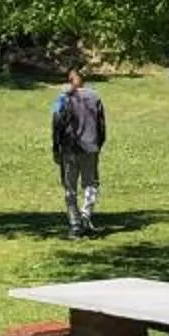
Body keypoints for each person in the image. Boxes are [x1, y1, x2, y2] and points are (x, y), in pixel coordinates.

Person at [52, 69, 106, 237]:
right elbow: (101, 125)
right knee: (90, 184)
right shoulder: (95, 97)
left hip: (69, 148)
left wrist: (56, 146)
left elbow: (56, 121)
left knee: (70, 187)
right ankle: (86, 215)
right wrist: (98, 143)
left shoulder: (63, 97)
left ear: (72, 80)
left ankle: (75, 223)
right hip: (90, 147)